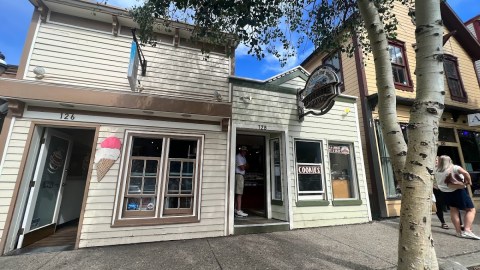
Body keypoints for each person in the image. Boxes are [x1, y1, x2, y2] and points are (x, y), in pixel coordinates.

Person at [435, 155, 479, 239]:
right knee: (471, 210)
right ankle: (467, 230)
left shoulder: (436, 170)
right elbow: (465, 173)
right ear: (449, 161)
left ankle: (458, 232)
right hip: (458, 191)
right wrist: (469, 181)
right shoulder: (454, 167)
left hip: (445, 193)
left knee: (453, 210)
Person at [433, 156, 463, 230]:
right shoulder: (432, 169)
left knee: (454, 207)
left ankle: (460, 223)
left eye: (437, 160)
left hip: (447, 190)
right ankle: (443, 222)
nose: (436, 161)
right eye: (435, 160)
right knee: (439, 206)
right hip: (437, 190)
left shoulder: (444, 168)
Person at [235, 146, 249, 217]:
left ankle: (236, 209)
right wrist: (245, 166)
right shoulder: (238, 157)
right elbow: (242, 168)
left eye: (245, 151)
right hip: (239, 175)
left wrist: (245, 166)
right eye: (243, 151)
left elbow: (248, 166)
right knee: (239, 193)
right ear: (241, 151)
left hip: (241, 175)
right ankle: (238, 210)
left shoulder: (243, 157)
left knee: (238, 192)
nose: (244, 152)